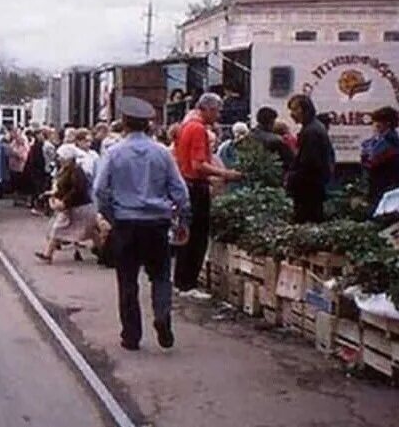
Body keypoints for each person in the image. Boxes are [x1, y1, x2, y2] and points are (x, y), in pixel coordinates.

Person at [94, 96, 190, 351]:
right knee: (160, 276)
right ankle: (161, 316)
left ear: (124, 123)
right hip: (157, 224)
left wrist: (112, 216)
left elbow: (100, 190)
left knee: (127, 280)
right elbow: (179, 190)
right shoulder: (162, 152)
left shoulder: (114, 153)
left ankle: (131, 335)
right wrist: (181, 216)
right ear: (148, 124)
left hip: (125, 224)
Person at [172, 93, 241, 298]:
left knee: (187, 234)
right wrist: (225, 174)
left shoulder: (186, 125)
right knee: (198, 235)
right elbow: (198, 164)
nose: (219, 115)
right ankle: (188, 284)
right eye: (218, 111)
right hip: (195, 188)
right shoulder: (198, 128)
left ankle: (181, 281)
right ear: (209, 109)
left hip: (187, 184)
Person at [35, 143, 106, 263]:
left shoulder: (76, 171)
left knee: (62, 229)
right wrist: (54, 194)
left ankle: (104, 253)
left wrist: (64, 201)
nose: (59, 159)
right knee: (89, 231)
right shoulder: (69, 170)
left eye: (61, 157)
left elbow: (76, 190)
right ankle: (104, 253)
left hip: (79, 207)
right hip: (77, 207)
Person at [286, 94, 332, 224]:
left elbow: (309, 163)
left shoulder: (311, 131)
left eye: (294, 110)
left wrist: (293, 177)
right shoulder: (314, 127)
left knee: (307, 220)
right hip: (313, 186)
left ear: (304, 109)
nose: (291, 114)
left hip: (308, 189)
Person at [361, 106, 399, 209]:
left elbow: (371, 161)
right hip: (385, 186)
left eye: (377, 123)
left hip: (386, 187)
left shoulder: (390, 141)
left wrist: (367, 154)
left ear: (387, 123)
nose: (374, 125)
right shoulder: (384, 139)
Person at [250, 107, 295, 172]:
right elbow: (291, 161)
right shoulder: (276, 140)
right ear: (271, 121)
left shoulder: (249, 136)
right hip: (275, 174)